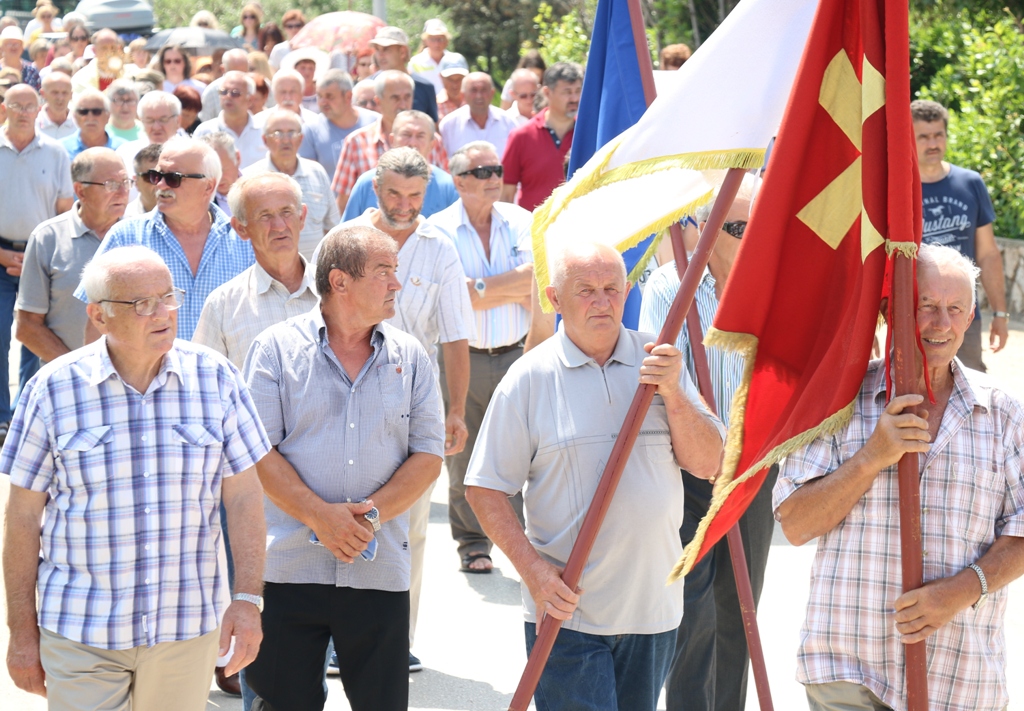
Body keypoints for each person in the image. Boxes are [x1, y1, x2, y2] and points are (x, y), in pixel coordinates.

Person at [2, 245, 272, 709]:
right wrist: (21, 632)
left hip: (185, 630)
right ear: (99, 316)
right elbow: (22, 518)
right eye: (141, 303)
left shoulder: (218, 379)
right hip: (81, 627)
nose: (163, 312)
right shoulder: (52, 390)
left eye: (168, 297)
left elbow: (245, 499)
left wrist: (247, 600)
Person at [465, 241, 725, 711]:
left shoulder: (660, 361)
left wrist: (672, 391)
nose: (602, 301)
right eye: (585, 290)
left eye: (612, 289)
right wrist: (535, 574)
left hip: (654, 612)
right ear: (554, 299)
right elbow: (484, 489)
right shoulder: (528, 379)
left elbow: (709, 464)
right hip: (567, 615)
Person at [774, 243, 1024, 711]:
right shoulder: (837, 401)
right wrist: (873, 456)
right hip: (849, 669)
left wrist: (963, 589)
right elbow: (795, 523)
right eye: (925, 306)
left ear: (971, 318)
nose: (940, 323)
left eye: (954, 309)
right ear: (891, 311)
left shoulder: (1004, 413)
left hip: (959, 677)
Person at [241, 224, 446, 710]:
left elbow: (429, 455)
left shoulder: (411, 357)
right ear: (339, 281)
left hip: (377, 569)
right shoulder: (274, 350)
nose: (397, 283)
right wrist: (320, 517)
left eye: (395, 271)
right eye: (383, 272)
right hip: (289, 569)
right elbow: (257, 453)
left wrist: (366, 519)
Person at [322, 147, 474, 669]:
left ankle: (394, 643)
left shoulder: (441, 247)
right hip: (342, 388)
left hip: (414, 397)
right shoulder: (342, 243)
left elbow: (455, 334)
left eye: (413, 195)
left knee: (405, 526)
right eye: (393, 193)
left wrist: (456, 410)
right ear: (375, 187)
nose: (403, 205)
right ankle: (332, 641)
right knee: (335, 508)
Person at [638, 176, 771, 711]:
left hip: (754, 471)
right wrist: (708, 440)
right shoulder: (671, 288)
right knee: (692, 615)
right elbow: (664, 380)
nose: (753, 239)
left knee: (740, 608)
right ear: (705, 230)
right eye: (740, 228)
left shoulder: (777, 288)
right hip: (688, 471)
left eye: (761, 226)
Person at [426, 140, 547, 573]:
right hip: (464, 358)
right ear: (458, 181)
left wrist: (477, 288)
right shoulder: (437, 229)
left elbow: (537, 282)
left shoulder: (522, 220)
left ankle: (521, 541)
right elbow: (448, 294)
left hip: (519, 352)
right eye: (481, 172)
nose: (493, 178)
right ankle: (473, 543)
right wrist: (507, 286)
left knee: (525, 453)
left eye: (496, 170)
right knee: (463, 453)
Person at [76, 136, 254, 340]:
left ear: (208, 186)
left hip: (221, 371)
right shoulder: (125, 237)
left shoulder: (245, 240)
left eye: (173, 178)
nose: (160, 185)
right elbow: (98, 321)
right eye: (155, 176)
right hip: (148, 372)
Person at [0, 83, 74, 438]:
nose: (24, 111)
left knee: (34, 337)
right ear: (6, 107)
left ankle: (24, 413)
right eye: (17, 104)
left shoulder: (56, 152)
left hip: (40, 255)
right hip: (0, 257)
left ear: (39, 108)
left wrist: (35, 255)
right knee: (0, 335)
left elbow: (63, 209)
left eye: (30, 105)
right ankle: (1, 415)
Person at [912, 99, 1008, 372]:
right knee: (911, 392)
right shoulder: (897, 189)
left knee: (970, 388)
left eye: (938, 134)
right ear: (909, 137)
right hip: (915, 316)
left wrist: (1000, 314)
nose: (933, 143)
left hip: (962, 314)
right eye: (923, 136)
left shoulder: (970, 183)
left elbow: (988, 253)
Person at [16, 147, 127, 365]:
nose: (122, 192)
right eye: (111, 184)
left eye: (126, 182)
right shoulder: (47, 238)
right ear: (81, 191)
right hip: (67, 384)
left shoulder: (140, 234)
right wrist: (78, 370)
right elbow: (27, 326)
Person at [332, 70, 448, 214]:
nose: (403, 104)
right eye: (395, 98)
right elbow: (344, 202)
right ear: (378, 101)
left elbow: (445, 188)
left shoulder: (431, 140)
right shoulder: (356, 141)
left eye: (407, 97)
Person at [244, 109, 340, 258]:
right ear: (264, 140)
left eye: (291, 133)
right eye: (278, 133)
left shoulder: (317, 172)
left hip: (315, 274)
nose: (286, 140)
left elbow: (332, 227)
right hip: (269, 274)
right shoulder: (250, 178)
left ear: (301, 139)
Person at [343, 109, 458, 221]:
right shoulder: (367, 183)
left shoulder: (448, 187)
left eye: (420, 136)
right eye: (406, 134)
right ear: (392, 139)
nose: (412, 143)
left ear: (432, 144)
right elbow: (347, 232)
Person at [502, 62, 582, 211]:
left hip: (580, 229)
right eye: (566, 92)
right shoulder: (521, 136)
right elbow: (506, 195)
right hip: (532, 230)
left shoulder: (588, 134)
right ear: (547, 93)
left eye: (578, 90)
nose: (574, 98)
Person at [299, 69, 378, 177]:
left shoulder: (374, 122)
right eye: (319, 96)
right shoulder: (310, 130)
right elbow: (309, 176)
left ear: (348, 97)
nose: (323, 102)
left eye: (329, 96)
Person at [194, 70, 266, 168]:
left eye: (235, 93)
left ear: (250, 99)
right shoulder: (205, 131)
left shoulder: (264, 131)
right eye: (223, 92)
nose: (228, 96)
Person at [369, 26, 438, 123]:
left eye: (386, 49)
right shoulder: (368, 85)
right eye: (377, 49)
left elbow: (432, 128)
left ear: (402, 52)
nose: (380, 54)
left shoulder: (424, 87)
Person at [439, 72, 518, 157]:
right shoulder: (449, 125)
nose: (479, 96)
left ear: (492, 93)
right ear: (463, 95)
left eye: (484, 90)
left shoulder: (509, 122)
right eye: (473, 90)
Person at [116, 90, 181, 175]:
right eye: (149, 120)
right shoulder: (126, 153)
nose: (156, 127)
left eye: (163, 120)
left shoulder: (191, 154)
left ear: (178, 121)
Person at [61, 87, 125, 158]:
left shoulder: (123, 149)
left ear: (108, 116)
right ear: (75, 116)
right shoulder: (61, 150)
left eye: (96, 112)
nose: (90, 118)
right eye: (83, 112)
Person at [199, 131, 243, 216]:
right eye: (209, 173)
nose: (217, 178)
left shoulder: (260, 186)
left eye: (222, 170)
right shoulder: (199, 201)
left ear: (237, 158)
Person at [200, 48, 250, 122]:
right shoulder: (211, 92)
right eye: (234, 73)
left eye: (242, 73)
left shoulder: (258, 87)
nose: (238, 77)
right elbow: (205, 120)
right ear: (223, 69)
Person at [70, 28, 123, 93]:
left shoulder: (130, 73)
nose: (109, 52)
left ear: (119, 49)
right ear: (94, 50)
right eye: (104, 48)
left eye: (113, 48)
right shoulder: (81, 78)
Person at [408, 19, 451, 94]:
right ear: (425, 41)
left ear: (446, 41)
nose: (437, 43)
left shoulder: (454, 60)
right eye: (433, 39)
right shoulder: (415, 62)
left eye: (440, 39)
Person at [281, 46, 326, 115]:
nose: (307, 72)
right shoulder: (287, 92)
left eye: (311, 68)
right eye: (303, 68)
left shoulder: (322, 91)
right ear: (295, 70)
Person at [123, 142, 162, 217]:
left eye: (167, 176)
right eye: (151, 176)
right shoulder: (124, 219)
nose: (161, 183)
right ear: (136, 181)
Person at [36, 70, 75, 138]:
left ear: (71, 95)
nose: (60, 98)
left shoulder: (81, 125)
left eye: (64, 93)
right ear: (43, 94)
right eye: (55, 92)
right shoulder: (32, 125)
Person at [1, 26, 40, 91]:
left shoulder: (31, 71)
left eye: (17, 43)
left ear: (22, 47)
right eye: (9, 43)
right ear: (1, 47)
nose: (13, 47)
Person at [435, 52, 468, 120]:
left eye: (459, 79)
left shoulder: (475, 101)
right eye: (450, 79)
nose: (455, 85)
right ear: (441, 77)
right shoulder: (434, 106)